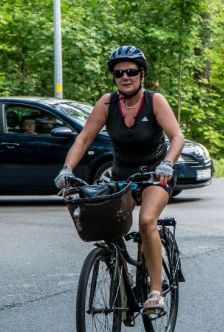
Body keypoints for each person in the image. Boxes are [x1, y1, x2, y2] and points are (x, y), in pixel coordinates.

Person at [54, 45, 185, 311]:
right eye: (119, 73)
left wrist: (168, 164)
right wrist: (67, 169)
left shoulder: (154, 101)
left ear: (142, 74)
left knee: (147, 220)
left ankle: (156, 292)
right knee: (107, 225)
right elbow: (84, 138)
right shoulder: (107, 103)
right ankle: (119, 278)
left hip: (155, 175)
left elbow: (177, 137)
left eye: (131, 71)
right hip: (121, 177)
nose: (125, 77)